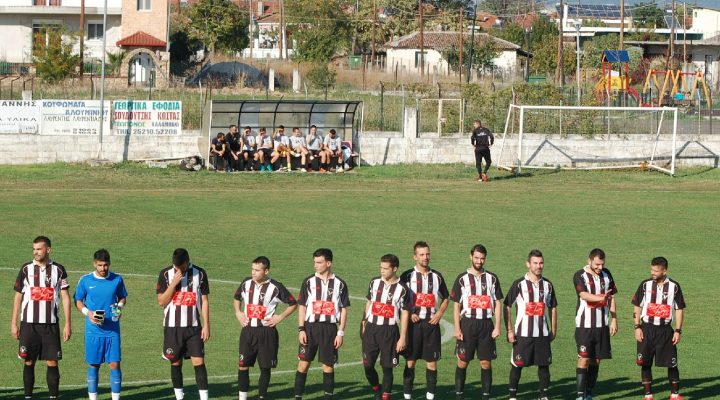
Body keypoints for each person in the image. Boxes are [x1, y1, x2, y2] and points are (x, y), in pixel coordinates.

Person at [11, 236, 72, 400]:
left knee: (52, 361)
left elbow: (65, 297)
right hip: (29, 324)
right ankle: (28, 397)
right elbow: (18, 296)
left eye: (39, 249)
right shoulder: (26, 269)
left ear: (48, 249)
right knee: (28, 361)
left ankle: (53, 397)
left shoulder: (58, 270)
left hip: (50, 325)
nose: (35, 252)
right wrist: (14, 323)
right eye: (34, 249)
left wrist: (67, 324)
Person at [234, 256, 298, 400]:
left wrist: (280, 317)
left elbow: (293, 303)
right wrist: (238, 312)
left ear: (266, 271)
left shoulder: (276, 287)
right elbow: (237, 298)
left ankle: (262, 396)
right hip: (248, 331)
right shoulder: (246, 283)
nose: (253, 272)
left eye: (257, 270)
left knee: (265, 367)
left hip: (267, 332)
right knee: (243, 365)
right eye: (252, 269)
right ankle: (242, 398)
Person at [294, 248, 350, 400]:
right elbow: (302, 306)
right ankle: (298, 397)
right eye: (314, 262)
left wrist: (340, 332)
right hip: (310, 328)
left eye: (319, 262)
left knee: (328, 365)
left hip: (330, 330)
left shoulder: (340, 284)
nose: (315, 265)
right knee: (303, 364)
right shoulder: (308, 282)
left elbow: (344, 310)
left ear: (328, 263)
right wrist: (301, 329)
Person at [450, 244, 503, 400]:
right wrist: (457, 328)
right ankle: (459, 396)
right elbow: (456, 305)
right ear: (471, 256)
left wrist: (498, 326)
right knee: (462, 362)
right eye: (476, 258)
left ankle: (485, 396)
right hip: (468, 324)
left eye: (482, 258)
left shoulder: (492, 278)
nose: (479, 261)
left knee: (486, 363)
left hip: (486, 325)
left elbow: (498, 303)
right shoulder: (462, 279)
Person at [156, 248, 210, 400]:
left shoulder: (200, 273)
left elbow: (204, 301)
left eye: (181, 266)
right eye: (176, 266)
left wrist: (206, 325)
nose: (178, 269)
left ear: (187, 262)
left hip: (193, 327)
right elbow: (161, 301)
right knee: (175, 362)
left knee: (199, 361)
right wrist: (173, 284)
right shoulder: (166, 274)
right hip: (172, 327)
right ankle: (179, 397)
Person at [74, 249, 128, 400]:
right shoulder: (85, 280)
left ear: (109, 264)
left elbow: (122, 297)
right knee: (93, 365)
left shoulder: (117, 279)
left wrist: (119, 307)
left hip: (112, 330)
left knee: (115, 365)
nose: (103, 268)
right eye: (100, 265)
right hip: (93, 330)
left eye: (105, 265)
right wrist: (89, 313)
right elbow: (78, 301)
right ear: (94, 264)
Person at [504, 249, 557, 400]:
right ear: (528, 264)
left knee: (544, 366)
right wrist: (509, 330)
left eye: (541, 263)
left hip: (542, 334)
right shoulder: (519, 284)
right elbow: (507, 305)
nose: (539, 266)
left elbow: (553, 306)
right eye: (535, 263)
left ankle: (544, 396)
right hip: (522, 334)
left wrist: (553, 329)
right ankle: (513, 396)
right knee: (517, 365)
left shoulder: (547, 285)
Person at [399, 241, 449, 400]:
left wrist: (440, 313)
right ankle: (407, 396)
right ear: (415, 257)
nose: (425, 257)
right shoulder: (407, 276)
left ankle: (430, 396)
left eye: (427, 254)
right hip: (413, 326)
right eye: (421, 254)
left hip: (431, 325)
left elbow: (446, 298)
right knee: (411, 361)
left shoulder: (437, 276)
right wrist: (411, 311)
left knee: (431, 362)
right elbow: (399, 298)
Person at [632, 257, 686, 400]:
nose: (653, 272)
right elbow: (637, 305)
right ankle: (648, 396)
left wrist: (678, 330)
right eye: (652, 269)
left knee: (672, 363)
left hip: (665, 330)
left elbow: (679, 309)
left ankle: (675, 395)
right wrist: (637, 327)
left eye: (656, 270)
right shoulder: (645, 285)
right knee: (645, 363)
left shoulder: (674, 286)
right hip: (647, 329)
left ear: (664, 271)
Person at [362, 254, 411, 400]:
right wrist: (365, 321)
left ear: (395, 269)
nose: (382, 271)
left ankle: (385, 397)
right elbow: (369, 302)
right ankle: (377, 388)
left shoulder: (402, 289)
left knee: (387, 368)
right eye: (381, 267)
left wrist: (402, 337)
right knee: (368, 366)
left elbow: (405, 313)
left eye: (385, 268)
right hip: (371, 329)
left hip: (389, 332)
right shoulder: (374, 282)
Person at [573, 248, 618, 400]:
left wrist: (614, 319)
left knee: (596, 360)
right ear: (589, 260)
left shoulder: (607, 274)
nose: (600, 267)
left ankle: (589, 393)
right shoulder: (580, 275)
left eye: (602, 264)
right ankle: (580, 395)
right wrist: (601, 299)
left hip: (601, 325)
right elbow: (583, 295)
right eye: (597, 264)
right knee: (584, 358)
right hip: (584, 326)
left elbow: (611, 297)